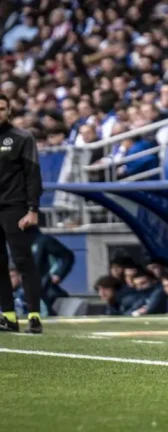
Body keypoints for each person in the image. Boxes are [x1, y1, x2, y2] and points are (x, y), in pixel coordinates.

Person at [0, 93, 44, 334]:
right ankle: (8, 317)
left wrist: (32, 209)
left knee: (23, 261)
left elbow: (33, 175)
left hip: (15, 208)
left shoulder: (22, 138)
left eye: (2, 108)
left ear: (9, 111)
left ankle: (34, 317)